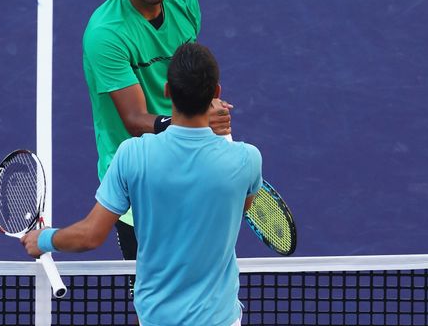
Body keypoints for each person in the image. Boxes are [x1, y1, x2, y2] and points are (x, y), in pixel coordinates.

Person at [22, 43, 262, 326]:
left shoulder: (133, 155)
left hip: (156, 319)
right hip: (221, 319)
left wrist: (44, 239)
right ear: (217, 92)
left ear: (167, 90)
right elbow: (243, 207)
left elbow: (90, 236)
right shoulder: (247, 159)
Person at [82, 0, 232, 264]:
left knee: (198, 270)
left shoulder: (185, 0)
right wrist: (197, 121)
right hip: (136, 173)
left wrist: (205, 100)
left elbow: (187, 71)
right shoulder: (106, 34)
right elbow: (134, 120)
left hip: (186, 155)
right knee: (149, 297)